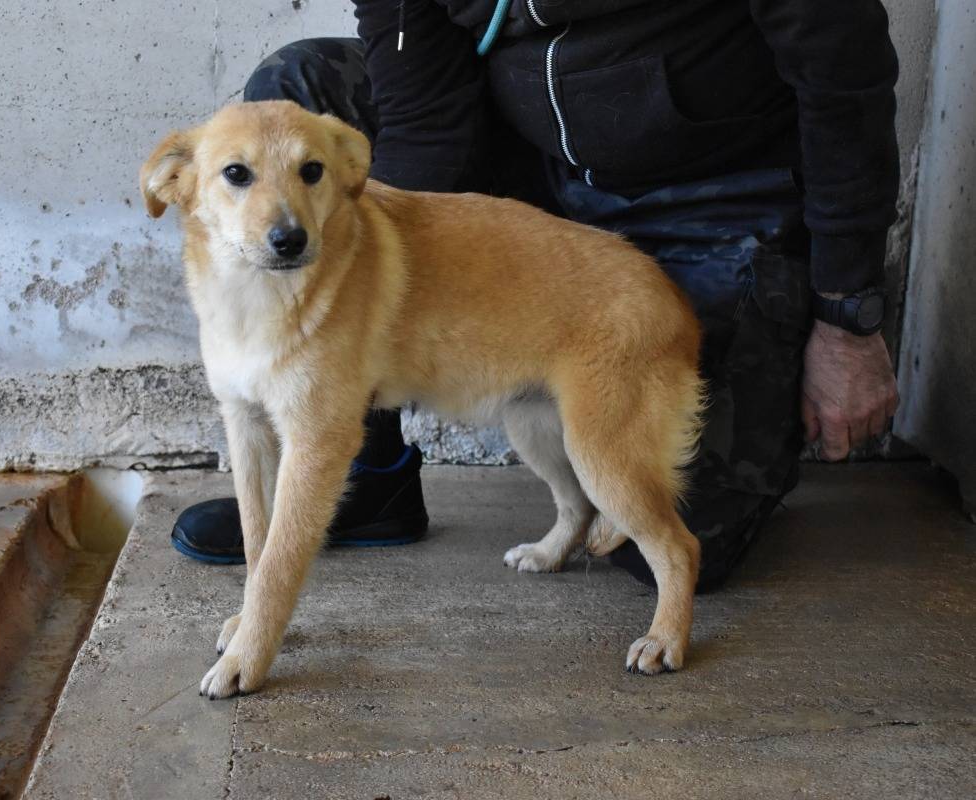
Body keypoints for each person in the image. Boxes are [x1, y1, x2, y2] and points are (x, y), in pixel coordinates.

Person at [170, 0, 901, 591]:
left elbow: (843, 79)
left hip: (711, 192)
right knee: (300, 91)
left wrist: (846, 312)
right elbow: (425, 112)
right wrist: (382, 320)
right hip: (532, 161)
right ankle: (361, 470)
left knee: (664, 526)